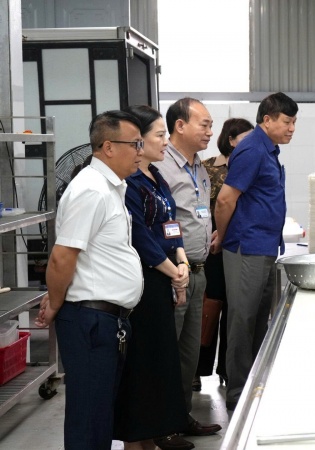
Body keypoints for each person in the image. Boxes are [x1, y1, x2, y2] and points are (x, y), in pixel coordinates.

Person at [34, 111, 145, 450]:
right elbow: (62, 256)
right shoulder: (91, 190)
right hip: (90, 320)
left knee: (99, 416)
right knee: (88, 418)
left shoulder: (110, 188)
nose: (140, 151)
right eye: (135, 144)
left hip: (105, 320)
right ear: (108, 147)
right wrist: (55, 302)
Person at [211, 92, 298, 411]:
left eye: (294, 122)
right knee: (243, 319)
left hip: (264, 246)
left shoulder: (268, 149)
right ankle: (238, 392)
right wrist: (222, 235)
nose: (292, 128)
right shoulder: (252, 149)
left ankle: (254, 385)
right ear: (268, 119)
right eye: (287, 122)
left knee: (260, 320)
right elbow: (225, 199)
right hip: (245, 246)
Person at [114, 105, 191, 450]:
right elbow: (140, 237)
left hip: (166, 277)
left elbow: (170, 223)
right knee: (143, 365)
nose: (165, 142)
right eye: (159, 135)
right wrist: (173, 271)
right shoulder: (130, 184)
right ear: (138, 140)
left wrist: (182, 259)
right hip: (144, 284)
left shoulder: (156, 177)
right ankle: (136, 440)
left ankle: (153, 436)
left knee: (162, 363)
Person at [152, 98, 221, 443]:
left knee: (189, 354)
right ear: (180, 125)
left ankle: (181, 416)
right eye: (204, 125)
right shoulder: (160, 166)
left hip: (199, 270)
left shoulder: (200, 168)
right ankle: (162, 425)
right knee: (167, 352)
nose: (210, 132)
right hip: (172, 274)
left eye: (211, 126)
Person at [194, 118, 254, 392]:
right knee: (209, 307)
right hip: (213, 246)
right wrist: (214, 231)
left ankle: (229, 371)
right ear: (230, 139)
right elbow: (200, 204)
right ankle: (197, 369)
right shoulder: (207, 167)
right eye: (245, 138)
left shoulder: (251, 164)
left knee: (234, 308)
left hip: (238, 244)